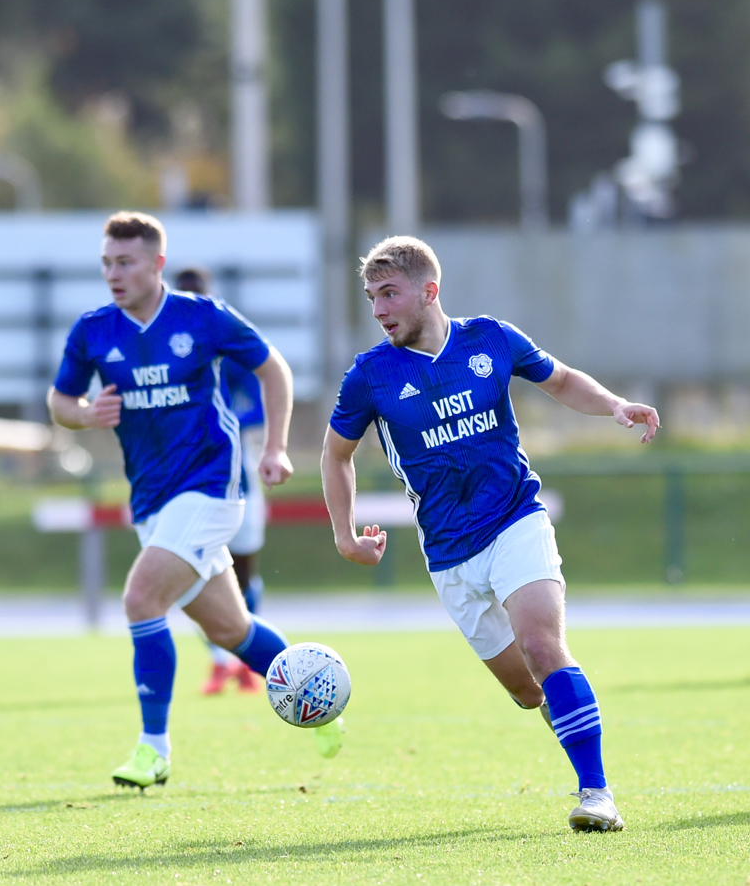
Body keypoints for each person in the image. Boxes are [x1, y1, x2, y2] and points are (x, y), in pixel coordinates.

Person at [320, 236, 658, 832]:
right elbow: (336, 454)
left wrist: (613, 406)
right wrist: (345, 535)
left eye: (389, 293)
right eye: (372, 297)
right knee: (530, 692)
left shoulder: (491, 339)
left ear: (430, 291)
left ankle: (597, 793)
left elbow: (559, 380)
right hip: (449, 552)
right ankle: (578, 739)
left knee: (543, 646)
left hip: (515, 518)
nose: (378, 309)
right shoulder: (370, 375)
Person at [49, 212, 341, 790]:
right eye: (107, 263)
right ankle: (322, 705)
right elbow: (59, 401)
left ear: (157, 263)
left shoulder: (200, 317)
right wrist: (85, 415)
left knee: (139, 599)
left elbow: (272, 369)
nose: (114, 273)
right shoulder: (93, 330)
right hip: (152, 500)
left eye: (125, 262)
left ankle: (152, 750)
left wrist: (277, 447)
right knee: (232, 630)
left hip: (211, 487)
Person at [173, 267, 266, 695]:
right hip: (187, 479)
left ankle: (244, 659)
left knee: (244, 573)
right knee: (192, 575)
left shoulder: (226, 349)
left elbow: (259, 403)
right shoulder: (164, 354)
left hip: (239, 476)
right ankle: (217, 662)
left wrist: (223, 419)